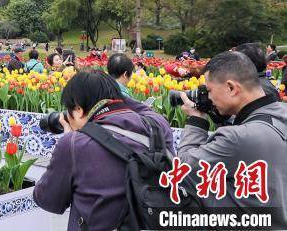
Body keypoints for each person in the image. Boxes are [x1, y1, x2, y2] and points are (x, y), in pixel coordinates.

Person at [33, 70, 174, 230]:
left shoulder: (74, 144)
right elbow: (141, 108)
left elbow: (48, 201)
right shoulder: (157, 125)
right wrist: (110, 93)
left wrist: (69, 141)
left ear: (78, 109)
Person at [177, 51, 287, 226]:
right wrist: (223, 120)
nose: (209, 98)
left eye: (210, 90)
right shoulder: (282, 112)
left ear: (231, 88)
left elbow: (182, 170)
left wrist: (196, 121)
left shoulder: (237, 138)